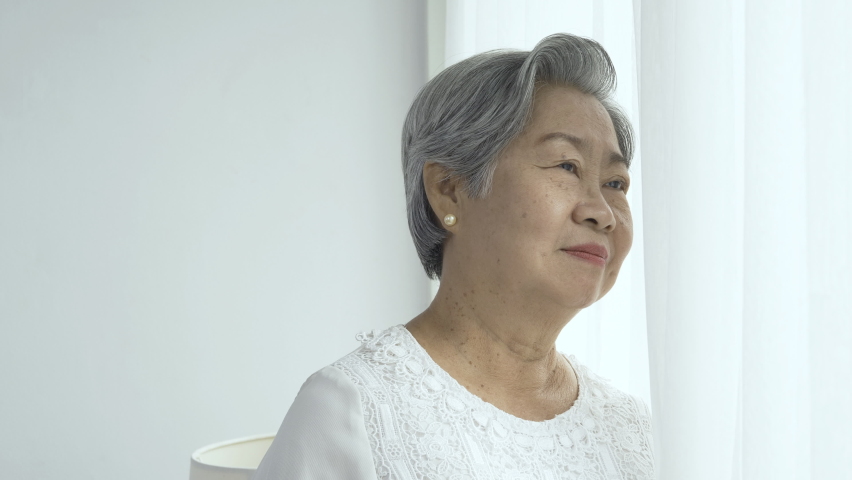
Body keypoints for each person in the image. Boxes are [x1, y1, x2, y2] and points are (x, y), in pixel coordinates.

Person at [253, 33, 655, 479]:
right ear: (449, 190)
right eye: (566, 165)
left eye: (616, 183)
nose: (601, 212)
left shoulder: (630, 429)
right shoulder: (352, 411)